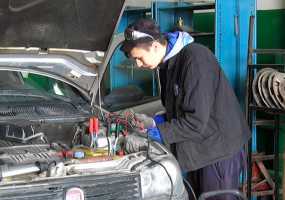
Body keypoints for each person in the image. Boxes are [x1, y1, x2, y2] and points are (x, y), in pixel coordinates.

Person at [120, 18, 251, 199]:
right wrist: (153, 122)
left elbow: (195, 122)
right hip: (198, 148)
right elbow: (180, 109)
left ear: (156, 46)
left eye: (139, 58)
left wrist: (152, 134)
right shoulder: (166, 65)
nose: (138, 65)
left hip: (218, 151)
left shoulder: (195, 59)